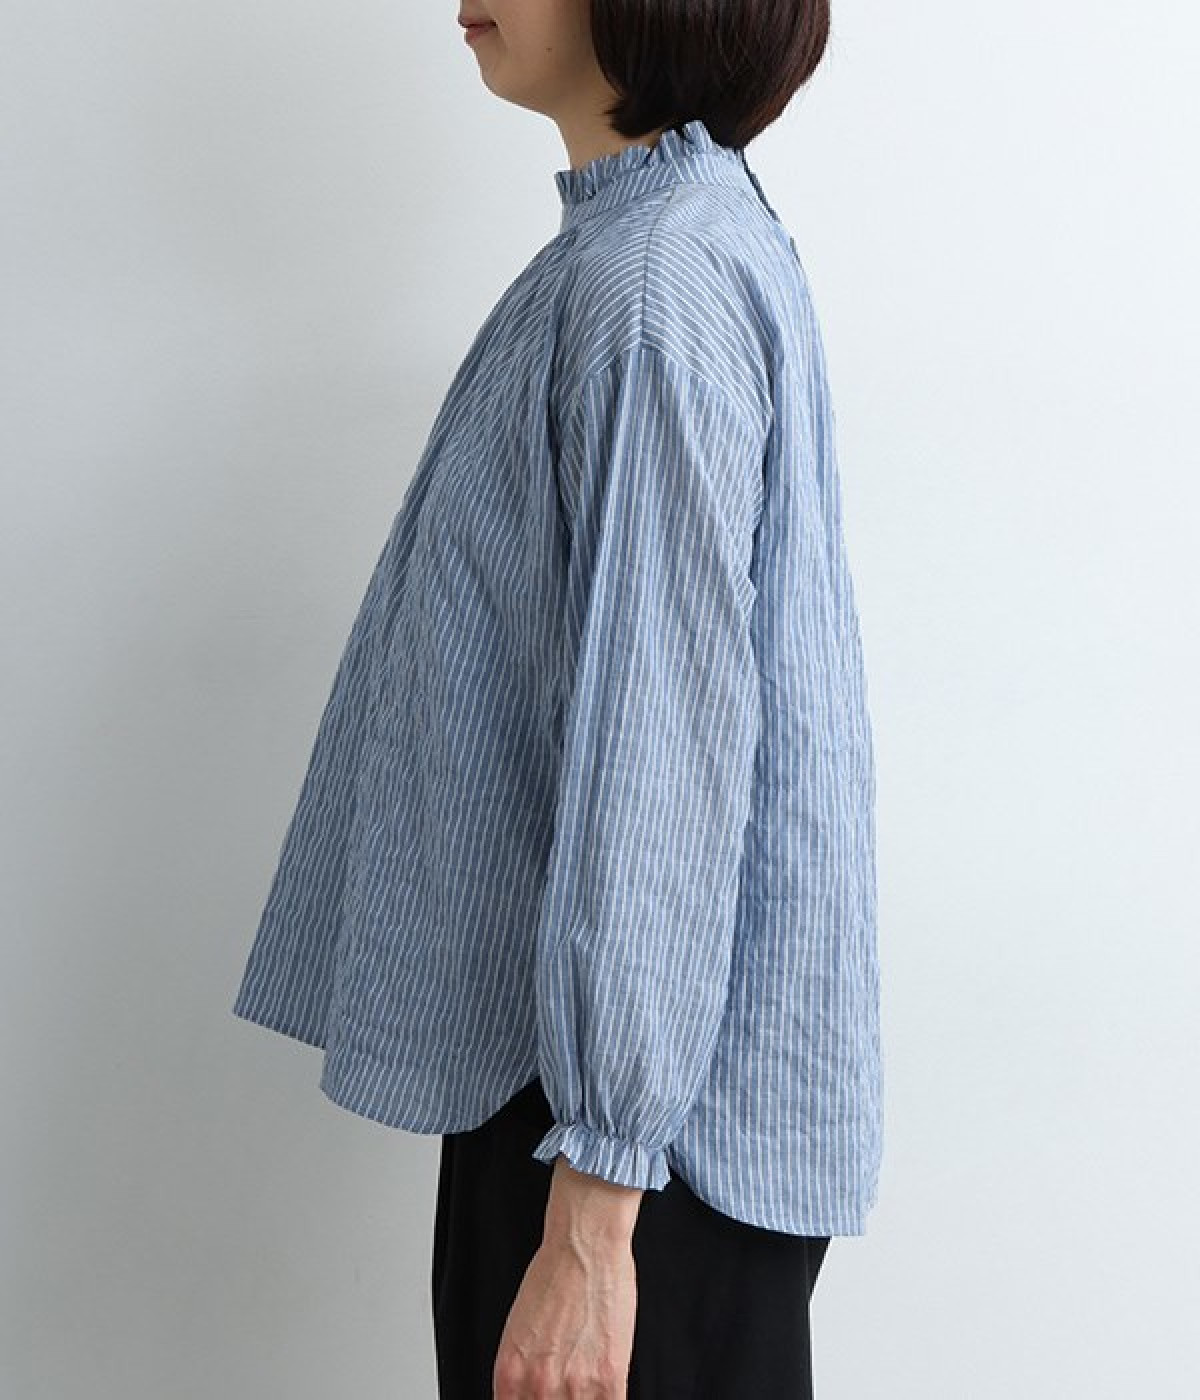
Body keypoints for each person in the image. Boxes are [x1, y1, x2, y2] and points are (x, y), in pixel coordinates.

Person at [231, 1, 883, 1395]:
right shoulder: (656, 246)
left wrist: (593, 1210)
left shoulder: (651, 288)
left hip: (624, 1164)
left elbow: (663, 756)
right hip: (611, 1126)